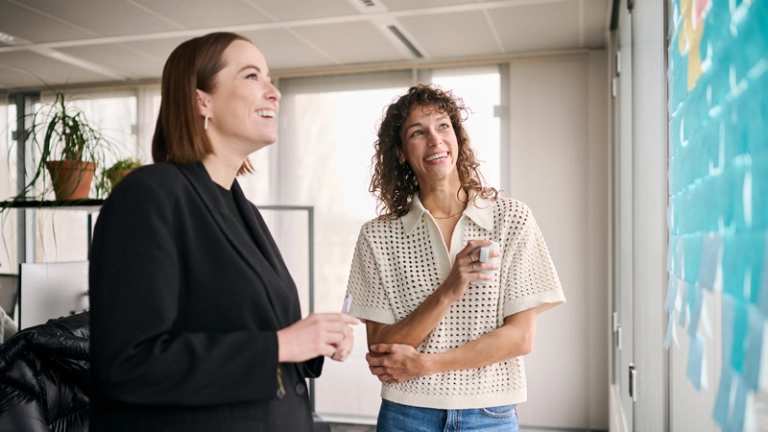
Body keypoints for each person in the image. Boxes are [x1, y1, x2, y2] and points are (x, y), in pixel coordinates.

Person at [89, 32, 358, 432]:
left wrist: (313, 342)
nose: (274, 93)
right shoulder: (149, 195)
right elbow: (129, 363)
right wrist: (282, 345)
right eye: (252, 76)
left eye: (270, 78)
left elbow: (247, 331)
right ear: (203, 101)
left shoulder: (242, 208)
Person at [345, 84, 566, 431]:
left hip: (489, 415)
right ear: (401, 152)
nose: (435, 140)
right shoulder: (377, 236)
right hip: (406, 414)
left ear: (458, 137)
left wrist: (426, 364)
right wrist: (448, 290)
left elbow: (521, 338)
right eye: (418, 132)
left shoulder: (511, 219)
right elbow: (383, 347)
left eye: (443, 126)